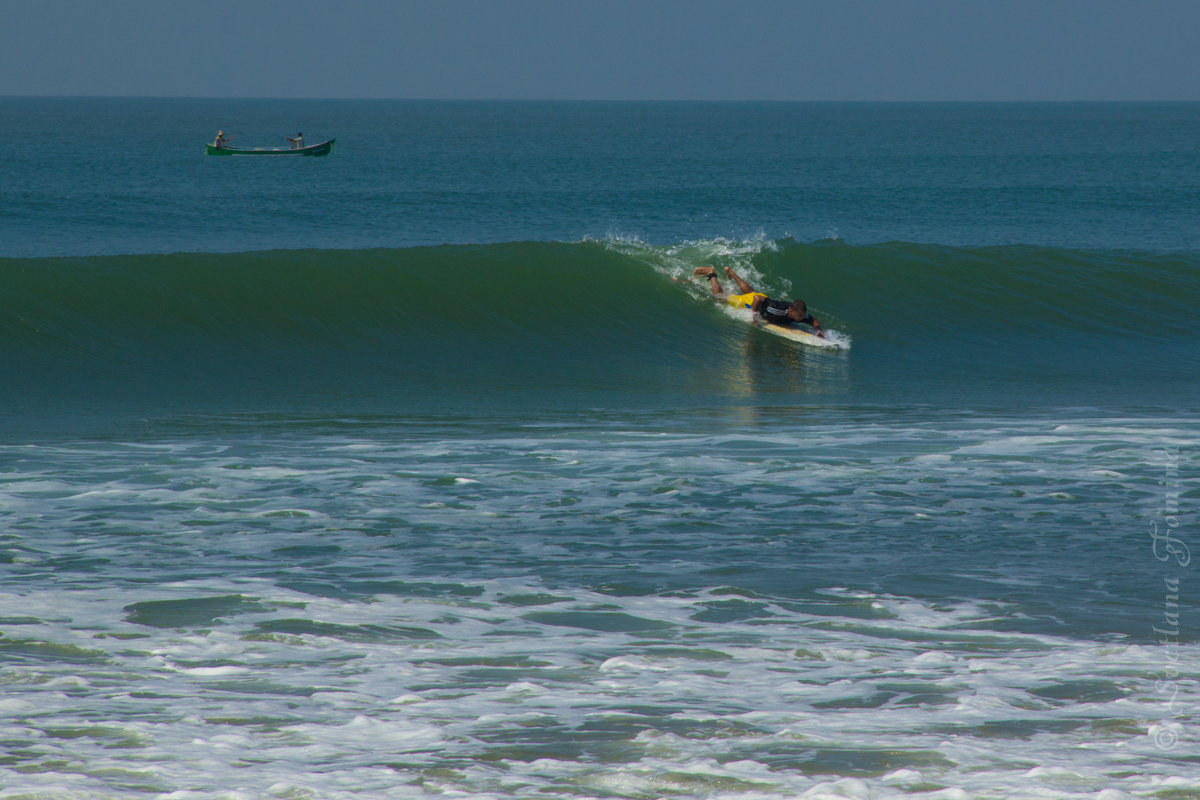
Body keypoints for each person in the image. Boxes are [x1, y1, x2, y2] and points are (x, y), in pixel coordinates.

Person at [693, 265, 824, 337]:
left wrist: (818, 330)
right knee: (720, 297)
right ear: (792, 310)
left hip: (762, 297)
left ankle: (731, 273)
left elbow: (813, 320)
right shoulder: (777, 310)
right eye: (799, 316)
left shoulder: (799, 313)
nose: (801, 319)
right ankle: (711, 272)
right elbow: (757, 299)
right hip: (752, 301)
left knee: (751, 291)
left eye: (802, 316)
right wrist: (754, 317)